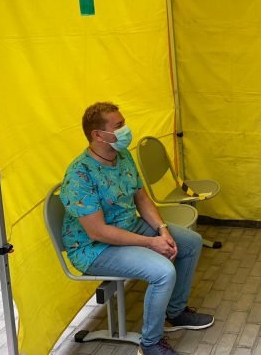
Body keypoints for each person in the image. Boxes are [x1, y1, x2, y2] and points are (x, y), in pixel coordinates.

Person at [60, 102, 213, 355]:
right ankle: (150, 343)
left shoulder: (123, 156)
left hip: (129, 227)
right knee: (163, 272)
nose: (126, 130)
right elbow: (97, 232)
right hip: (94, 248)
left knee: (190, 242)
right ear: (98, 135)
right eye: (119, 126)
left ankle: (175, 312)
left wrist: (162, 230)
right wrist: (151, 243)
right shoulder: (80, 173)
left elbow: (142, 198)